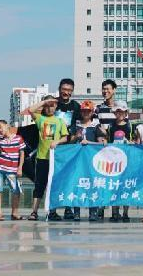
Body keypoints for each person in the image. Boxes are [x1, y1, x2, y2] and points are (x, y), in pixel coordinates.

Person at [24, 95, 68, 221]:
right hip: (41, 158)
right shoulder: (40, 119)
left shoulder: (60, 121)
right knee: (39, 185)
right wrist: (44, 101)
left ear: (56, 107)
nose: (49, 108)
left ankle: (52, 211)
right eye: (47, 106)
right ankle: (34, 212)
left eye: (52, 106)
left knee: (53, 185)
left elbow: (65, 137)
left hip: (54, 160)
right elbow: (30, 110)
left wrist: (57, 141)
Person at [68, 100, 106, 221]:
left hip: (91, 161)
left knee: (92, 185)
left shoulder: (96, 126)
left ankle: (93, 212)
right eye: (84, 111)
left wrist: (88, 142)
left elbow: (102, 144)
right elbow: (69, 141)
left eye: (88, 111)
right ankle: (76, 212)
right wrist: (76, 137)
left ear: (92, 112)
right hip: (77, 161)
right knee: (77, 185)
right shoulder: (76, 125)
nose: (86, 113)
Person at [0, 120, 25, 221]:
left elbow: (22, 154)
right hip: (0, 168)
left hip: (12, 169)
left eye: (0, 127)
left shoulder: (18, 138)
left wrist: (20, 168)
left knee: (16, 191)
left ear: (7, 126)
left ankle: (14, 213)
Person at [53, 78, 81, 220]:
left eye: (69, 90)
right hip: (53, 147)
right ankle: (52, 209)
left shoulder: (76, 106)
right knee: (54, 179)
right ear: (59, 89)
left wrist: (76, 137)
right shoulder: (52, 104)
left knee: (69, 179)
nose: (66, 92)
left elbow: (82, 124)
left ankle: (68, 209)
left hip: (70, 147)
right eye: (64, 89)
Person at [106, 101, 132, 222]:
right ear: (114, 113)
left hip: (127, 160)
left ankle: (125, 213)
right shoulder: (111, 126)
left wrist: (130, 142)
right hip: (113, 161)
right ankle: (115, 212)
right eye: (117, 111)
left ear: (126, 113)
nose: (120, 113)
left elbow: (134, 141)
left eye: (122, 111)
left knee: (126, 186)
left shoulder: (130, 125)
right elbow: (107, 140)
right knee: (114, 186)